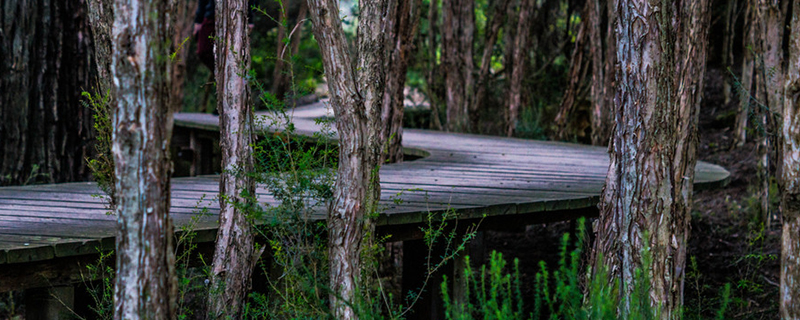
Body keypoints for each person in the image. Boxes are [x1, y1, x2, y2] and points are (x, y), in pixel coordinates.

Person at [194, 0, 256, 71]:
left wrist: (250, 18)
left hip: (236, 18)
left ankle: (236, 75)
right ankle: (219, 74)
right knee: (203, 51)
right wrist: (198, 20)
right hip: (212, 15)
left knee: (234, 53)